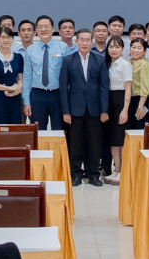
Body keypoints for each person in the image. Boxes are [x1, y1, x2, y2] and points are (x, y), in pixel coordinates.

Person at [60, 29, 109, 186]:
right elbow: (63, 88)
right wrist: (66, 111)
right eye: (82, 39)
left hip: (95, 110)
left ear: (92, 42)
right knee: (75, 143)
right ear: (76, 41)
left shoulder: (100, 60)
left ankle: (93, 174)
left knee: (94, 143)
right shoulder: (68, 60)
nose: (85, 42)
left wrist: (104, 111)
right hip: (75, 110)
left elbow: (104, 87)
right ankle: (75, 174)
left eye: (88, 40)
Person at [23, 16, 70, 130]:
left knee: (60, 130)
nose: (43, 29)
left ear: (52, 29)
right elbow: (27, 77)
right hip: (37, 95)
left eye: (46, 26)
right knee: (38, 131)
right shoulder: (31, 50)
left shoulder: (63, 47)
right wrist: (26, 102)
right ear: (36, 31)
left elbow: (69, 76)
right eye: (40, 27)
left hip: (58, 95)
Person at [105, 38, 132, 178]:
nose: (114, 49)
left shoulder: (125, 65)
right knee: (113, 138)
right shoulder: (108, 64)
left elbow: (128, 88)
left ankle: (122, 172)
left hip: (121, 101)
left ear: (122, 49)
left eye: (117, 47)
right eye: (111, 47)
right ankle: (116, 170)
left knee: (121, 138)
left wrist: (125, 109)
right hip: (109, 101)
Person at [0, 28, 24, 125]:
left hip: (15, 100)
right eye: (3, 37)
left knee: (14, 130)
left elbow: (20, 79)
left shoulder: (18, 57)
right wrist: (8, 88)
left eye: (9, 37)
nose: (6, 40)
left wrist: (17, 90)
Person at [127, 39, 149, 130]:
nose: (135, 50)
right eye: (133, 47)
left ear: (144, 51)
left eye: (139, 48)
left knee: (139, 129)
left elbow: (145, 88)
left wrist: (140, 106)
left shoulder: (144, 65)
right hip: (130, 100)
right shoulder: (128, 63)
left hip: (140, 100)